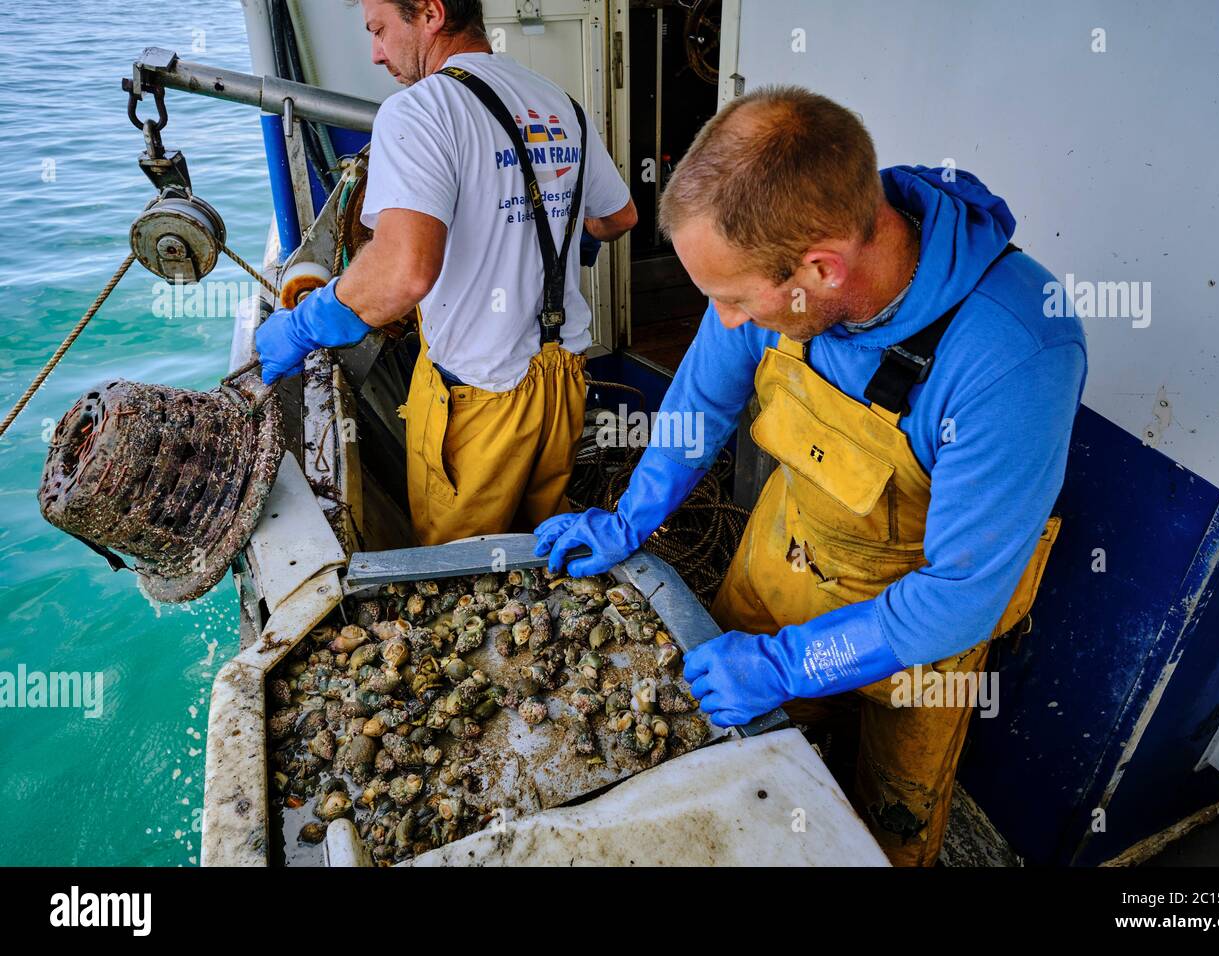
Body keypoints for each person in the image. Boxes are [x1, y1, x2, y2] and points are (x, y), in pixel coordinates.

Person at [534, 86, 1086, 865]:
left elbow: (960, 596)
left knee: (891, 821)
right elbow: (700, 400)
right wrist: (631, 516)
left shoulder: (1016, 353)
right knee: (723, 772)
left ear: (821, 270)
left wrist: (789, 664)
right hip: (781, 560)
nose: (724, 321)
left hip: (923, 637)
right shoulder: (775, 242)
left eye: (733, 303)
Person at [256, 0, 637, 543]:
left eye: (381, 30)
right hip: (563, 380)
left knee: (459, 577)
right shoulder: (561, 105)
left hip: (479, 397)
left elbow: (403, 274)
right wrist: (552, 240)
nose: (376, 53)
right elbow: (618, 217)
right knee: (545, 547)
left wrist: (302, 324)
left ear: (431, 13)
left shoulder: (419, 110)